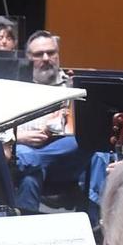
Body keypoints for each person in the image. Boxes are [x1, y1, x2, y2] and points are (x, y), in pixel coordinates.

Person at [8, 31, 84, 211]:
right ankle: (27, 229)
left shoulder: (74, 86)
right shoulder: (14, 86)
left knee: (85, 142)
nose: (46, 58)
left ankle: (33, 161)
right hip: (23, 145)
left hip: (62, 153)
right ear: (28, 58)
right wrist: (19, 136)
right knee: (30, 178)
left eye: (51, 53)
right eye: (38, 54)